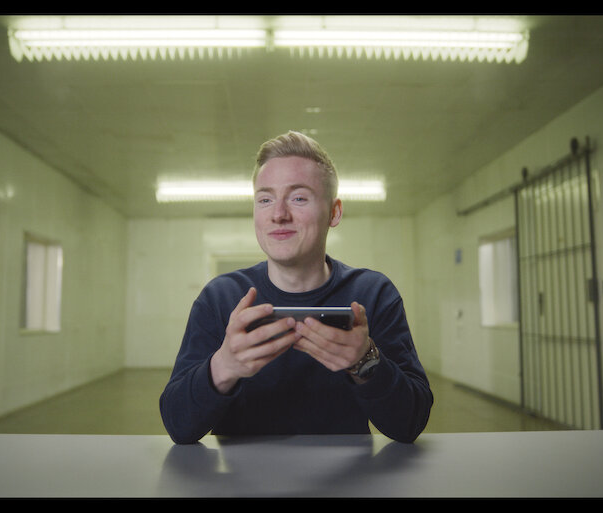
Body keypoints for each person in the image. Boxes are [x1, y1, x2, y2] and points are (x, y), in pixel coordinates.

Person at [159, 131, 432, 444]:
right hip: (243, 474)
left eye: (298, 198)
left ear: (334, 212)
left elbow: (410, 424)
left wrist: (366, 361)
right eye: (265, 200)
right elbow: (179, 426)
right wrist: (223, 366)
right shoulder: (221, 297)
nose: (278, 214)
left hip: (350, 472)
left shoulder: (373, 293)